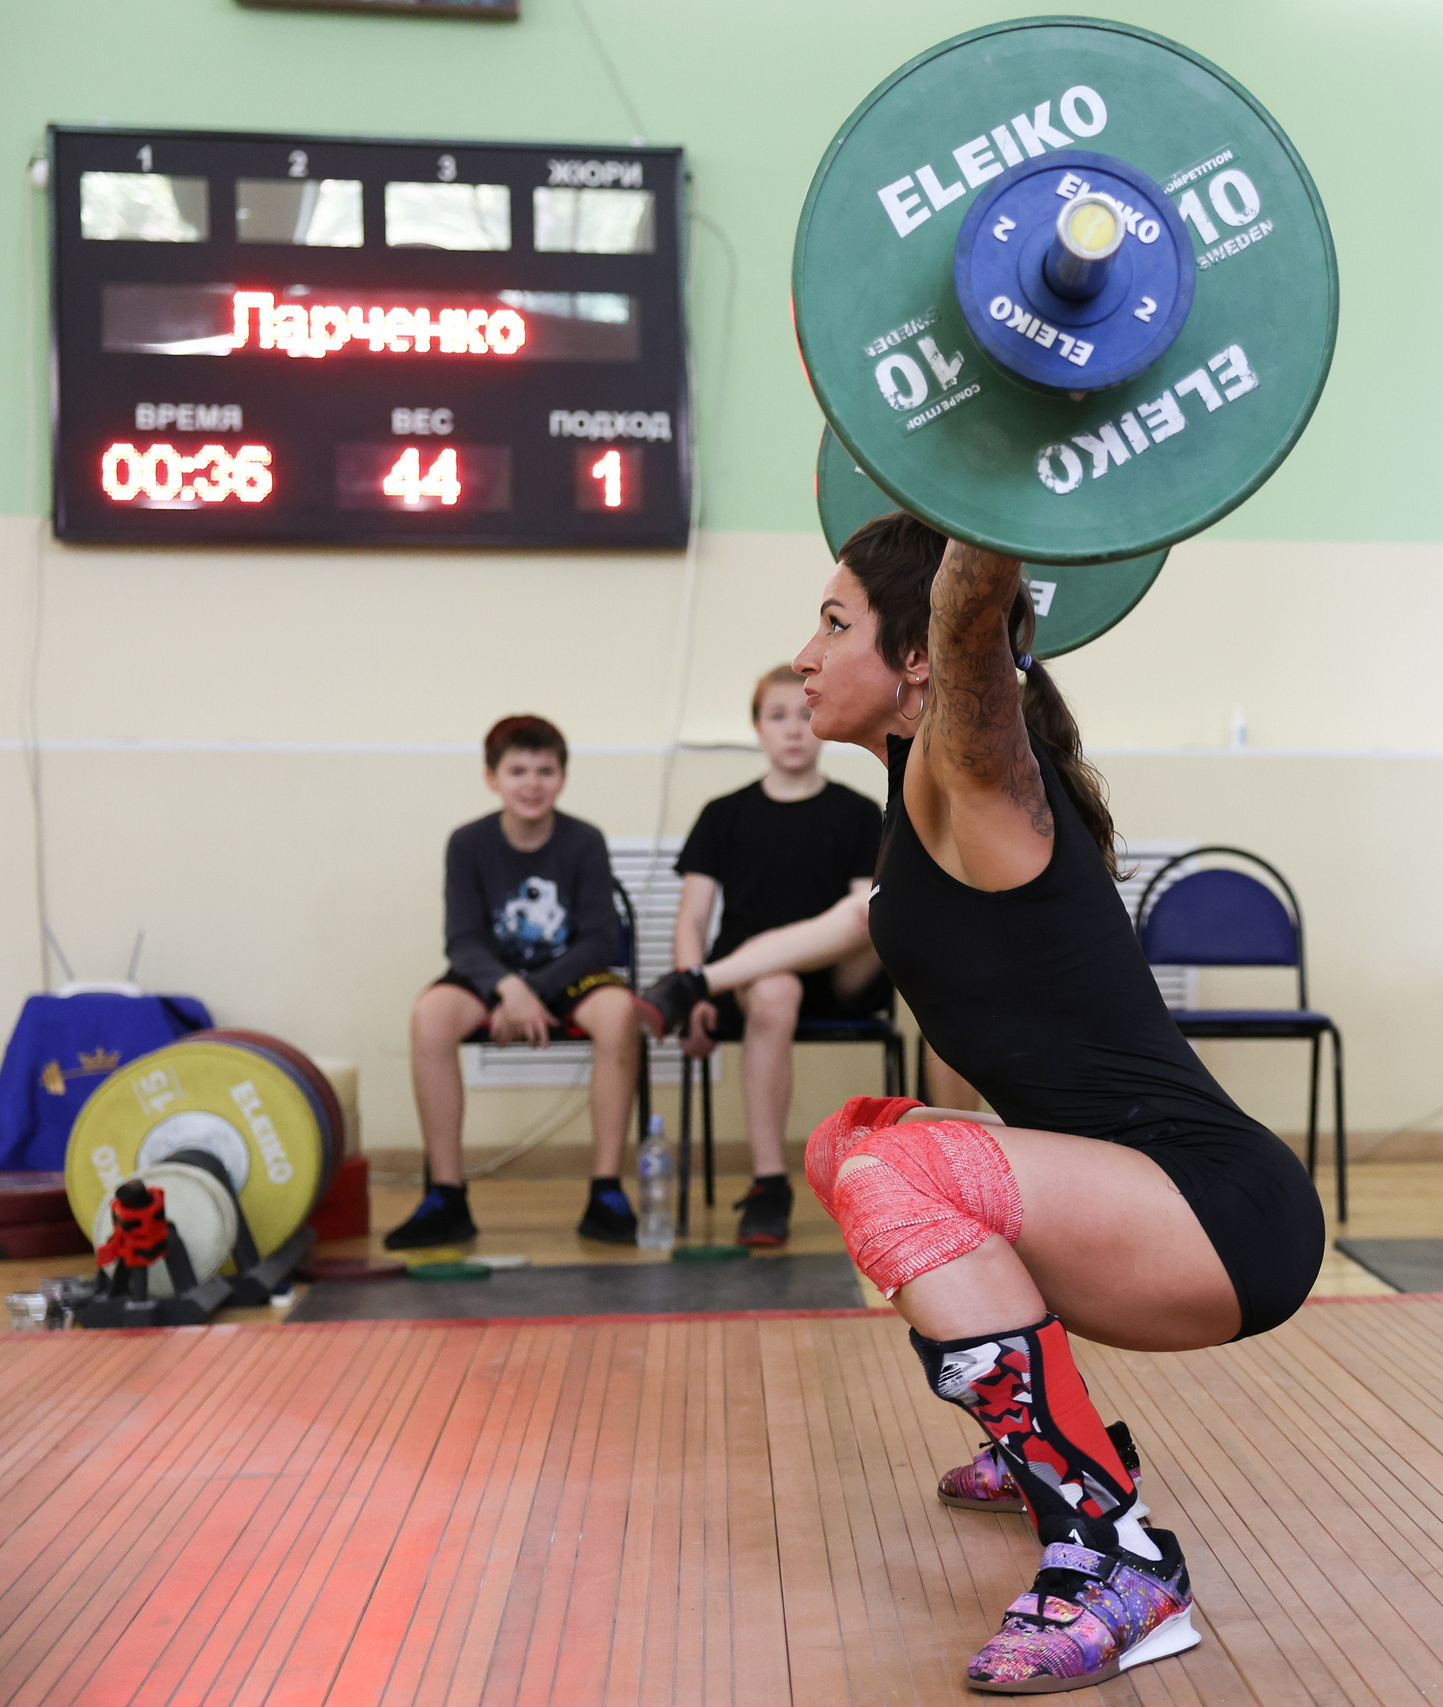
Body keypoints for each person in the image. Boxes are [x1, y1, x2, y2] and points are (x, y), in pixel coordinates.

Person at [647, 514, 1325, 1693]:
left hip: (1221, 1217)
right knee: (855, 1139)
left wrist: (989, 470)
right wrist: (700, 977)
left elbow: (970, 610)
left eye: (833, 623)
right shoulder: (920, 805)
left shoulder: (972, 769)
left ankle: (1116, 1555)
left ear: (922, 663)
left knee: (899, 1176)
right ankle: (1040, 1445)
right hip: (1146, 1201)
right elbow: (841, 926)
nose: (805, 657)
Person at [657, 666, 892, 1246]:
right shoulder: (723, 813)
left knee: (875, 908)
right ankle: (769, 1182)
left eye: (806, 716)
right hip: (752, 981)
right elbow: (691, 916)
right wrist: (697, 997)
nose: (794, 731)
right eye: (777, 717)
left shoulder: (858, 811)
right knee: (774, 988)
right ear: (756, 729)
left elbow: (865, 914)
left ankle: (695, 982)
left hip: (841, 974)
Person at [390, 715, 642, 1249]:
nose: (532, 783)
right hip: (492, 978)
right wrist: (509, 987)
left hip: (569, 977)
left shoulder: (585, 841)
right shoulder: (467, 843)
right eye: (517, 770)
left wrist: (536, 989)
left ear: (563, 778)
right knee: (428, 1016)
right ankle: (446, 1193)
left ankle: (606, 1189)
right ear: (491, 778)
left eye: (546, 770)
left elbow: (599, 942)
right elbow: (462, 939)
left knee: (620, 1013)